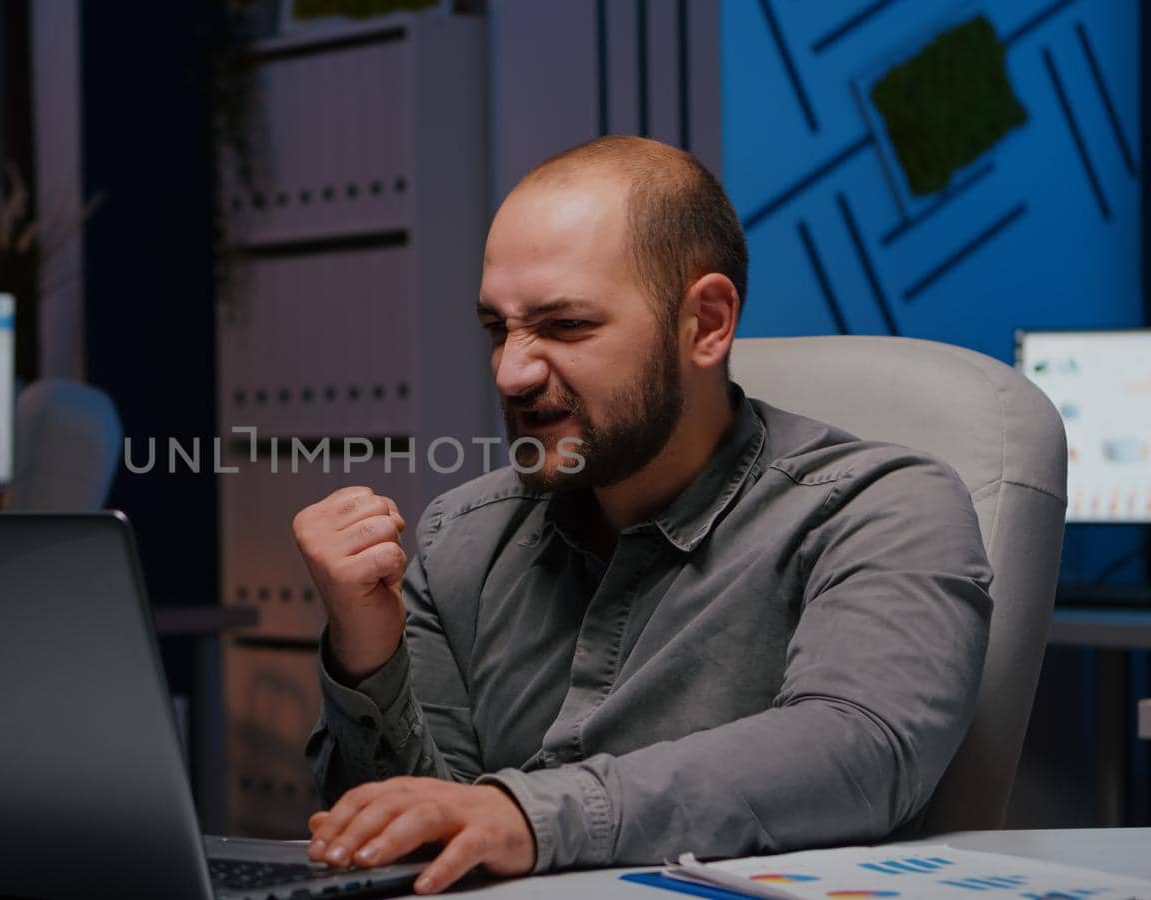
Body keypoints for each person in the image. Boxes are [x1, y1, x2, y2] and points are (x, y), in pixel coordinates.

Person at [292, 136, 992, 893]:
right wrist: (367, 652)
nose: (512, 371)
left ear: (708, 322)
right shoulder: (461, 535)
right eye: (498, 328)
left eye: (564, 326)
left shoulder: (880, 508)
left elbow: (858, 752)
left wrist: (527, 816)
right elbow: (415, 838)